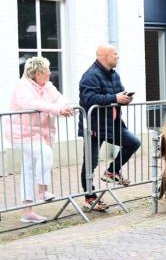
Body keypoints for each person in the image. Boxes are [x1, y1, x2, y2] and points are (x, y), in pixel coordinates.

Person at [6, 56, 73, 223]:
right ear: (36, 73)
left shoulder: (47, 86)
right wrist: (57, 109)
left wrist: (66, 106)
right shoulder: (23, 87)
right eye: (46, 71)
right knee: (45, 153)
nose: (50, 73)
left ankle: (27, 211)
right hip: (20, 134)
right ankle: (43, 190)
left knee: (28, 169)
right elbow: (32, 104)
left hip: (37, 134)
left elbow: (59, 98)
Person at [78, 44, 141, 211]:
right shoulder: (90, 76)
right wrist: (115, 98)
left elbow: (119, 93)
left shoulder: (114, 75)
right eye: (115, 54)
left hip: (112, 123)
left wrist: (125, 98)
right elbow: (89, 98)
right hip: (94, 126)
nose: (117, 57)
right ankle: (89, 197)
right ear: (104, 56)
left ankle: (112, 171)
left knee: (133, 142)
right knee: (91, 162)